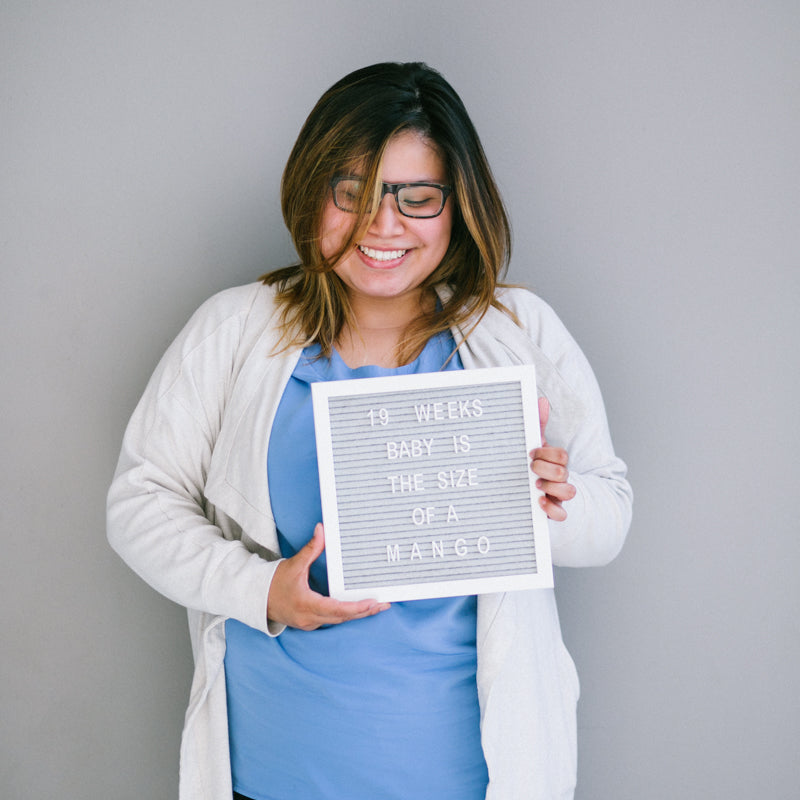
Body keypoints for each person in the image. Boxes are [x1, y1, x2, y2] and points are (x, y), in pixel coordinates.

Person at [107, 61, 632, 800]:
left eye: (416, 198)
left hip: (463, 781)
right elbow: (139, 502)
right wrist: (262, 591)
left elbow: (608, 518)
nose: (382, 227)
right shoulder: (234, 329)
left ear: (458, 207)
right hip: (272, 775)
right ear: (311, 192)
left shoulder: (518, 333)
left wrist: (550, 504)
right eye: (350, 193)